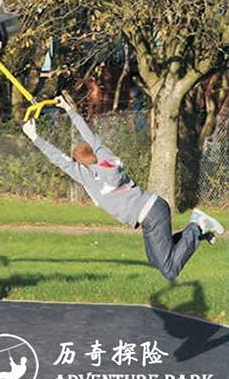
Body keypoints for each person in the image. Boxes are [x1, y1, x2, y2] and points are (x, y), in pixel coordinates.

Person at [22, 96, 224, 281]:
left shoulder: (89, 177)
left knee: (169, 269)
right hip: (152, 209)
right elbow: (89, 134)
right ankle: (197, 232)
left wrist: (34, 137)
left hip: (151, 214)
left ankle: (197, 226)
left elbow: (59, 160)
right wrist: (68, 109)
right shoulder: (105, 157)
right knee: (156, 259)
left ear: (80, 164)